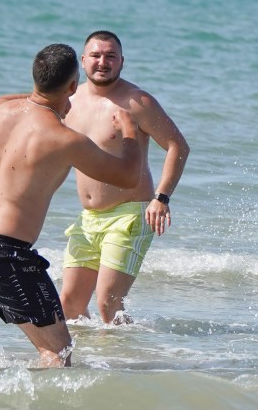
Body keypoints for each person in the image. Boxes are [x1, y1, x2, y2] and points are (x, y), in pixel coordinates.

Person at [0, 43, 142, 367]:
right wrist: (130, 131)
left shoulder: (1, 113)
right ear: (73, 87)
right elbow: (129, 176)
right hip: (3, 252)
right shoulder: (64, 138)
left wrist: (37, 94)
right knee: (58, 354)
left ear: (36, 79)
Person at [60, 31, 190, 324]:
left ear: (122, 62)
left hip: (129, 214)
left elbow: (177, 146)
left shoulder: (137, 102)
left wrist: (161, 197)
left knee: (108, 304)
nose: (102, 62)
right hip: (88, 217)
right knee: (69, 305)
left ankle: (126, 364)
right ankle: (89, 364)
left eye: (110, 56)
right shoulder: (71, 100)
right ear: (83, 60)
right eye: (95, 55)